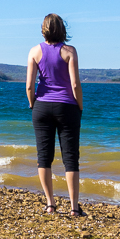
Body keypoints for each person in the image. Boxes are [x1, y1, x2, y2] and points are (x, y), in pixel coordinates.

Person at [26, 13, 85, 216]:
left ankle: (50, 204)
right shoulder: (69, 51)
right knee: (70, 158)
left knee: (44, 157)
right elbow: (75, 84)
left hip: (41, 106)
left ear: (44, 28)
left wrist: (33, 105)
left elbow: (29, 86)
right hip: (67, 107)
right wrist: (80, 106)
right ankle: (74, 208)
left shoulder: (34, 51)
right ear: (62, 28)